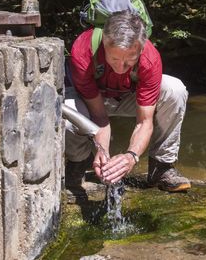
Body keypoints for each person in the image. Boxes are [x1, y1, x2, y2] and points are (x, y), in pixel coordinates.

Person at [64, 10, 191, 192]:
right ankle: (79, 161)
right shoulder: (83, 50)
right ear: (104, 45)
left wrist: (131, 157)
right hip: (93, 101)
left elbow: (144, 122)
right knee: (67, 114)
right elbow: (99, 115)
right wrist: (103, 151)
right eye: (114, 59)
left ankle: (161, 167)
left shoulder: (150, 58)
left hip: (128, 97)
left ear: (140, 48)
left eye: (130, 60)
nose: (121, 67)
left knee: (175, 89)